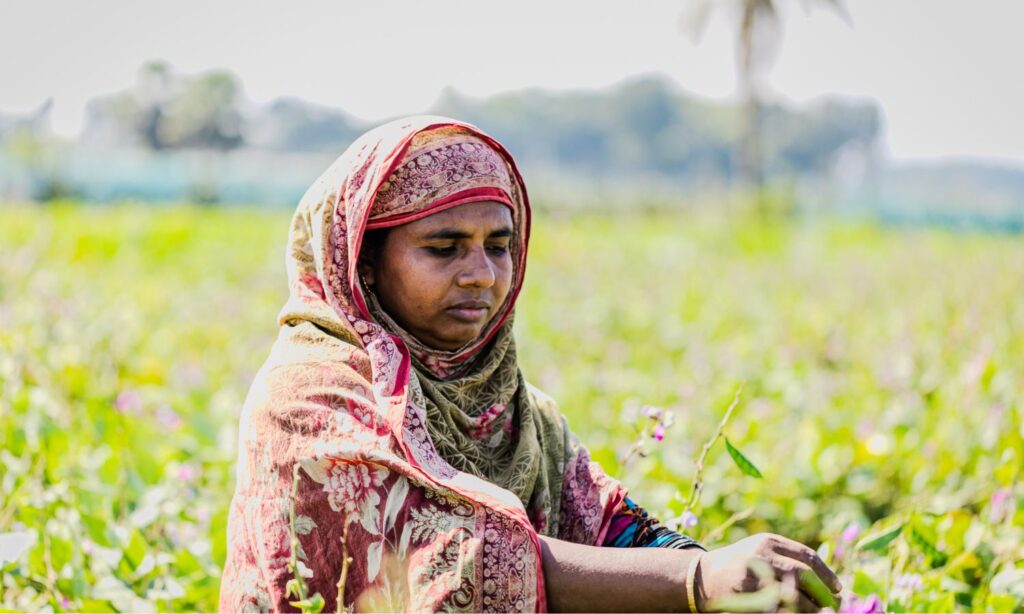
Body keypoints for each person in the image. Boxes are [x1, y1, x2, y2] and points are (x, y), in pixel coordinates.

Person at [218, 116, 842, 612]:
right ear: (366, 263)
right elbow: (458, 561)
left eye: (500, 245)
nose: (482, 275)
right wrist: (699, 578)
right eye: (443, 248)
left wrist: (727, 575)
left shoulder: (514, 409)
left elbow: (609, 531)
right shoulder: (306, 400)